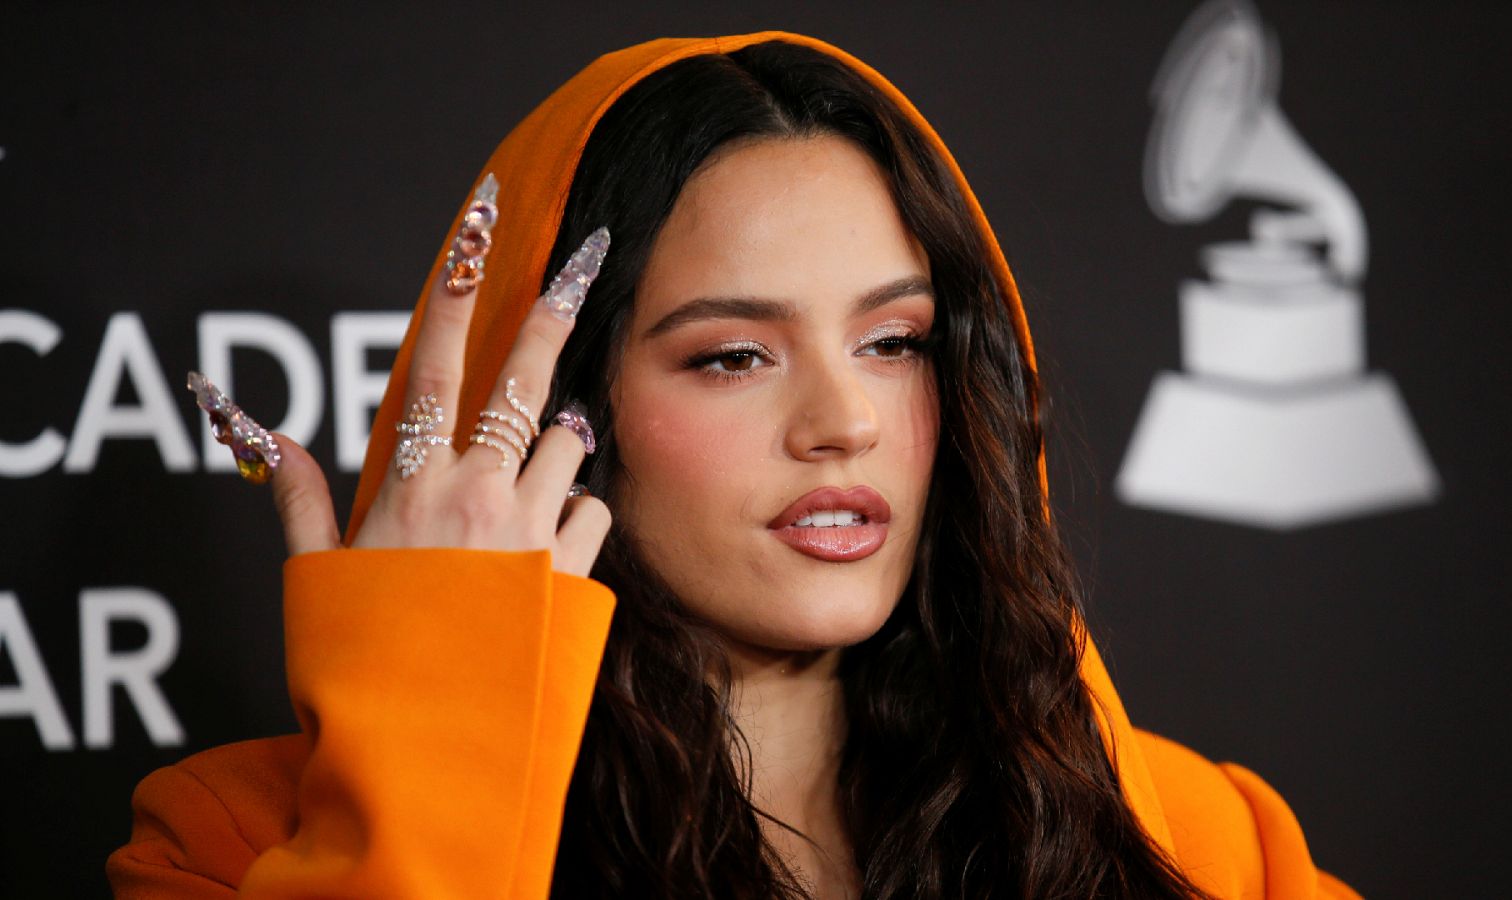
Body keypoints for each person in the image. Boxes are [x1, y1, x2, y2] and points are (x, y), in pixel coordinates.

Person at [107, 32, 1358, 899]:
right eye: (732, 357)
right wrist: (441, 708)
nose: (844, 420)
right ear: (560, 406)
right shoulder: (232, 848)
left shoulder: (1207, 844)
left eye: (893, 341)